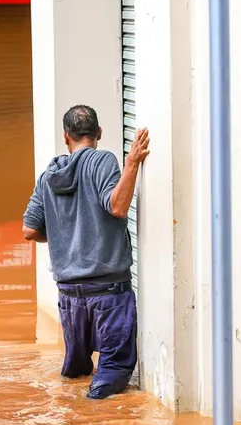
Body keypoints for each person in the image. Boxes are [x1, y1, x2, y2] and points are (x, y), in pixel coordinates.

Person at [22, 104, 150, 399]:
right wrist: (132, 164)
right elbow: (117, 207)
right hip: (108, 294)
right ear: (99, 133)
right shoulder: (102, 161)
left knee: (76, 374)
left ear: (66, 136)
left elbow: (29, 230)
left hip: (69, 298)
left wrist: (61, 238)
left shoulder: (48, 177)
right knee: (110, 379)